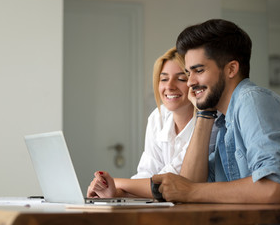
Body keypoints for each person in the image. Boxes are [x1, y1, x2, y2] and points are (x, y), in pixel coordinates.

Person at [152, 19, 280, 205]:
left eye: (198, 70)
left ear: (231, 69)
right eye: (188, 73)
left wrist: (190, 190)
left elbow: (273, 187)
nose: (190, 83)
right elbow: (190, 185)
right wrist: (204, 113)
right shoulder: (224, 120)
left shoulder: (251, 101)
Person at [87, 47, 218, 198]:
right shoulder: (158, 117)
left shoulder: (210, 122)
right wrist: (113, 192)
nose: (169, 86)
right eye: (163, 79)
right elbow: (146, 176)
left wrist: (116, 183)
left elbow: (173, 182)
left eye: (181, 79)